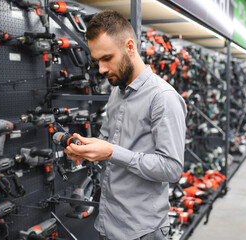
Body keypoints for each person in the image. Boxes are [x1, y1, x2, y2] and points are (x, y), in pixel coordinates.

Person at [64, 10, 187, 240]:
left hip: (142, 231)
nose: (100, 69)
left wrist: (111, 152)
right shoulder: (116, 93)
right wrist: (88, 151)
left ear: (130, 46)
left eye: (107, 58)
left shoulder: (163, 97)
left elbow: (172, 168)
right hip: (108, 224)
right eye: (97, 60)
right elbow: (108, 145)